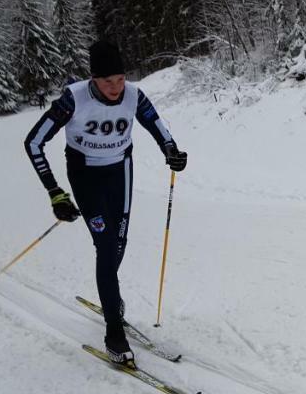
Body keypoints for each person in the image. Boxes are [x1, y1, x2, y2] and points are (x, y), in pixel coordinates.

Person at [24, 40, 187, 366]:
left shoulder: (133, 95)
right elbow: (34, 142)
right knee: (107, 245)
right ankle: (114, 330)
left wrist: (172, 150)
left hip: (120, 174)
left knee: (119, 243)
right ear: (93, 79)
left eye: (120, 79)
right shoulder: (74, 99)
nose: (115, 87)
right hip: (85, 176)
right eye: (107, 80)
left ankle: (110, 296)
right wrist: (54, 191)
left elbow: (156, 125)